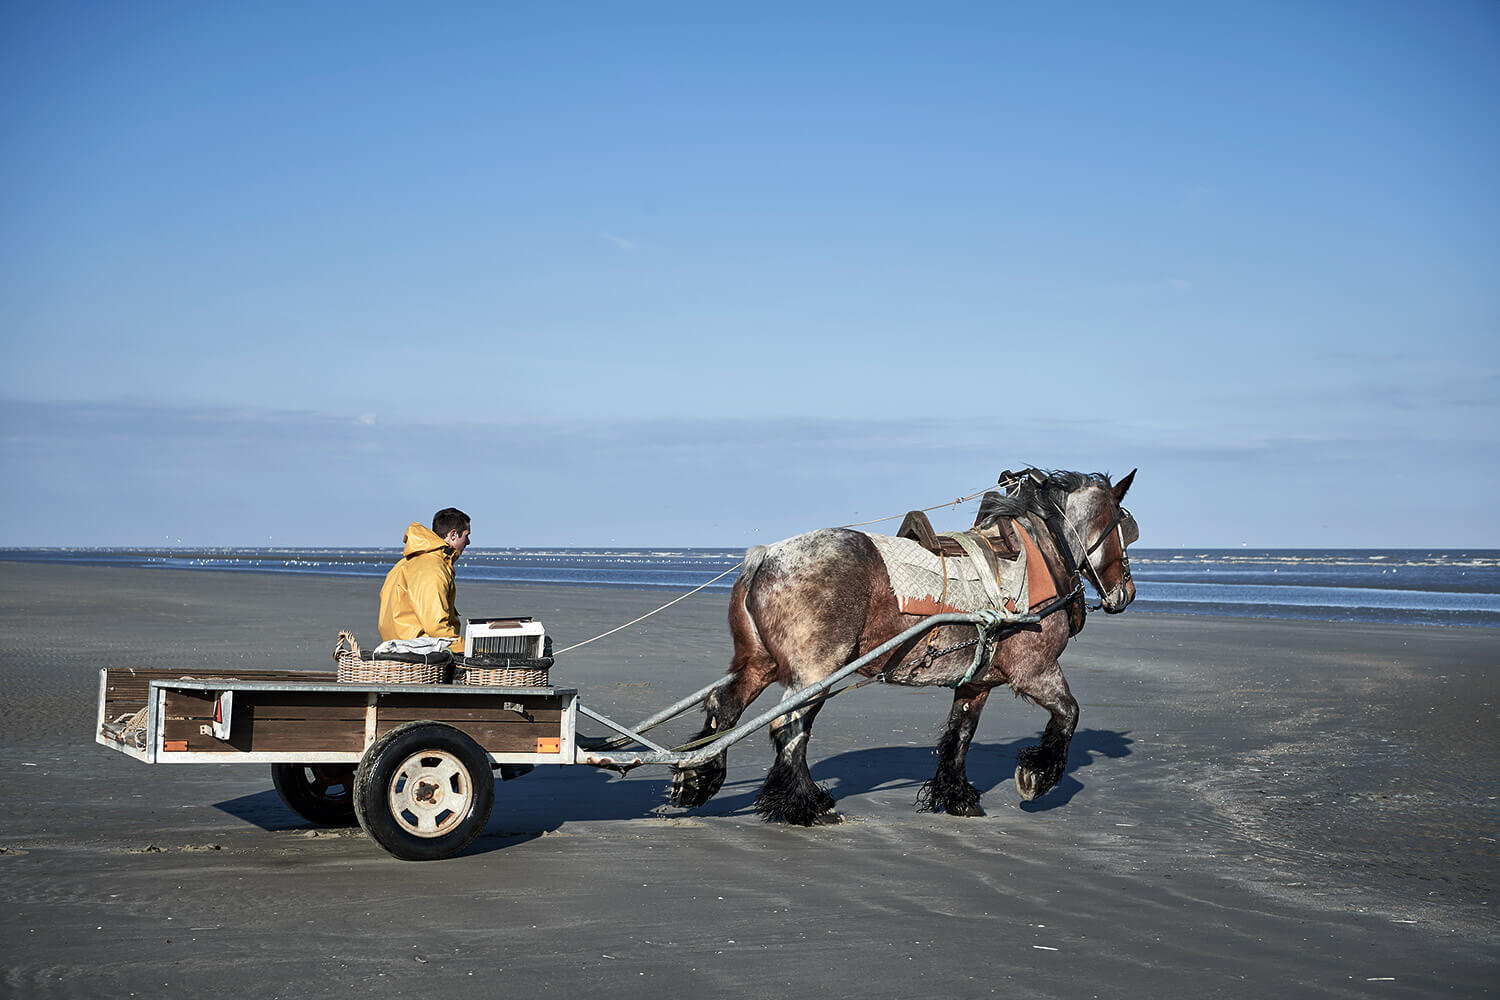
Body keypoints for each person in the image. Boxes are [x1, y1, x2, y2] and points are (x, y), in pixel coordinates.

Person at [377, 508, 471, 654]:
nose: (468, 542)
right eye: (466, 535)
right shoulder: (433, 567)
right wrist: (471, 650)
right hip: (418, 652)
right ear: (453, 534)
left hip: (397, 647)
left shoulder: (405, 563)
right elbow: (436, 627)